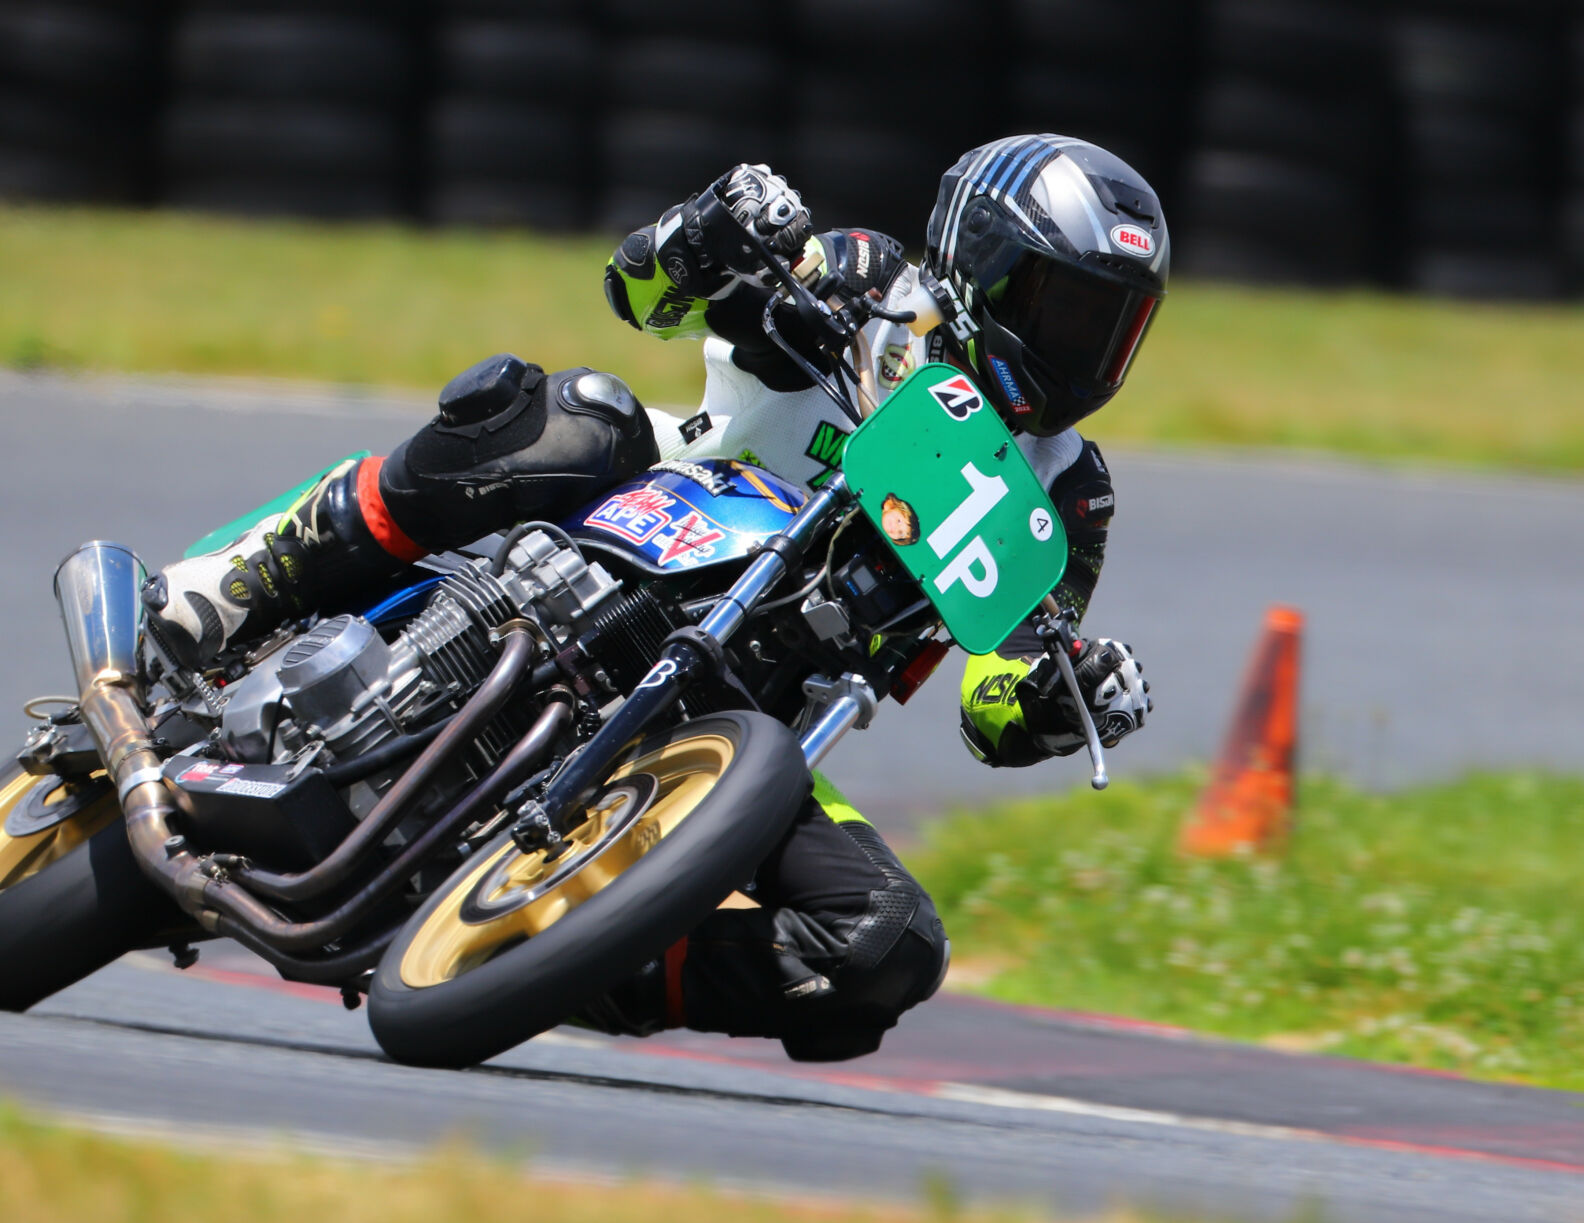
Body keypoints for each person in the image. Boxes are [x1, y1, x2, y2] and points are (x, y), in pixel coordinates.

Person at [144, 134, 1159, 1061]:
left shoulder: (1070, 495)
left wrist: (1058, 696)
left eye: (1112, 327)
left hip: (755, 716)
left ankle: (572, 963)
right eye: (1067, 307)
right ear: (984, 261)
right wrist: (711, 229)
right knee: (576, 414)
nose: (1084, 348)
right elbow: (642, 291)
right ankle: (251, 578)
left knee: (886, 943)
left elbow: (1001, 680)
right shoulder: (873, 283)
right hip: (649, 524)